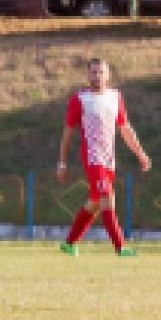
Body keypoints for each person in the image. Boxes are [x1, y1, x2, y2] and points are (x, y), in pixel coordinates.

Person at [56, 57, 151, 256]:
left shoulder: (115, 97)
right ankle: (121, 246)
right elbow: (67, 134)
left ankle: (69, 243)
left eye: (101, 72)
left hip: (109, 159)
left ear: (108, 75)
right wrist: (62, 164)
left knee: (95, 202)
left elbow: (125, 128)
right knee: (107, 197)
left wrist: (140, 153)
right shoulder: (80, 99)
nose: (97, 76)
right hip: (93, 159)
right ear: (87, 75)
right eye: (93, 72)